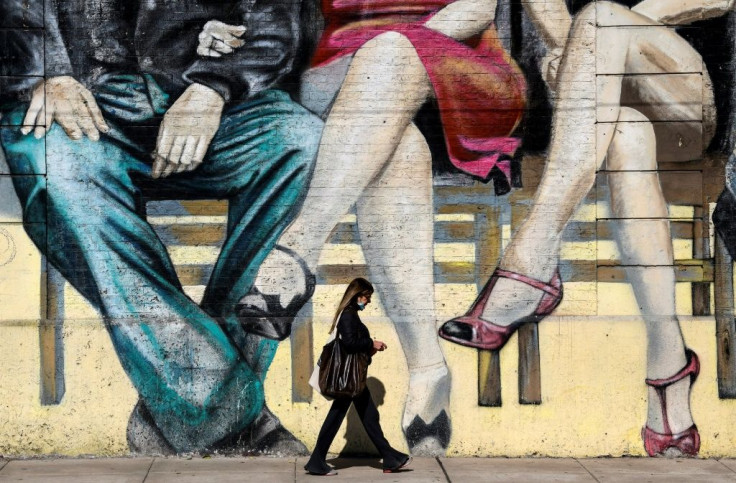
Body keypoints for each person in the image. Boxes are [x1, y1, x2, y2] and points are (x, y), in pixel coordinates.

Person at [197, 0, 571, 454]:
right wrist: (220, 31)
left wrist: (401, 57)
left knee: (388, 60)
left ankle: (298, 251)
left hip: (460, 63)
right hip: (340, 76)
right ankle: (428, 369)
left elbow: (475, 10)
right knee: (398, 149)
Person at [0, 0, 322, 453]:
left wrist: (213, 87)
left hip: (207, 99)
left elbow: (277, 19)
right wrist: (43, 72)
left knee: (303, 143)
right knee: (51, 161)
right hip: (81, 98)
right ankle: (224, 415)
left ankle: (182, 406)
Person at [440, 0, 734, 457]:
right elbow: (553, 22)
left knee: (601, 17)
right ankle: (668, 357)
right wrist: (585, 50)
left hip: (678, 93)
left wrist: (607, 31)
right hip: (587, 107)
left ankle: (532, 254)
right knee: (625, 133)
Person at [304, 278, 412, 476]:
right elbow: (351, 344)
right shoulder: (348, 315)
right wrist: (371, 343)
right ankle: (316, 461)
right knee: (337, 417)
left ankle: (390, 457)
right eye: (366, 297)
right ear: (356, 295)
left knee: (370, 415)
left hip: (354, 378)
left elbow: (352, 346)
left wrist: (369, 348)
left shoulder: (351, 315)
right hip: (349, 379)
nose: (368, 301)